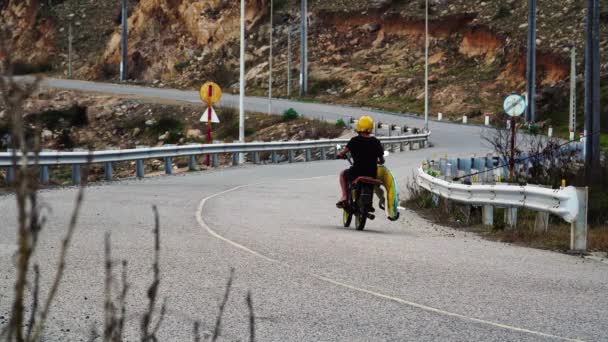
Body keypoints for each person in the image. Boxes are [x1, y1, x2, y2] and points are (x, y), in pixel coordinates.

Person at [336, 116, 385, 208]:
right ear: (370, 128)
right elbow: (382, 160)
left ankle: (344, 197)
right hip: (371, 173)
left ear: (359, 127)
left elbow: (343, 153)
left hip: (356, 172)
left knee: (343, 174)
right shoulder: (376, 142)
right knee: (373, 183)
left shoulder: (354, 141)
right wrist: (379, 161)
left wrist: (340, 155)